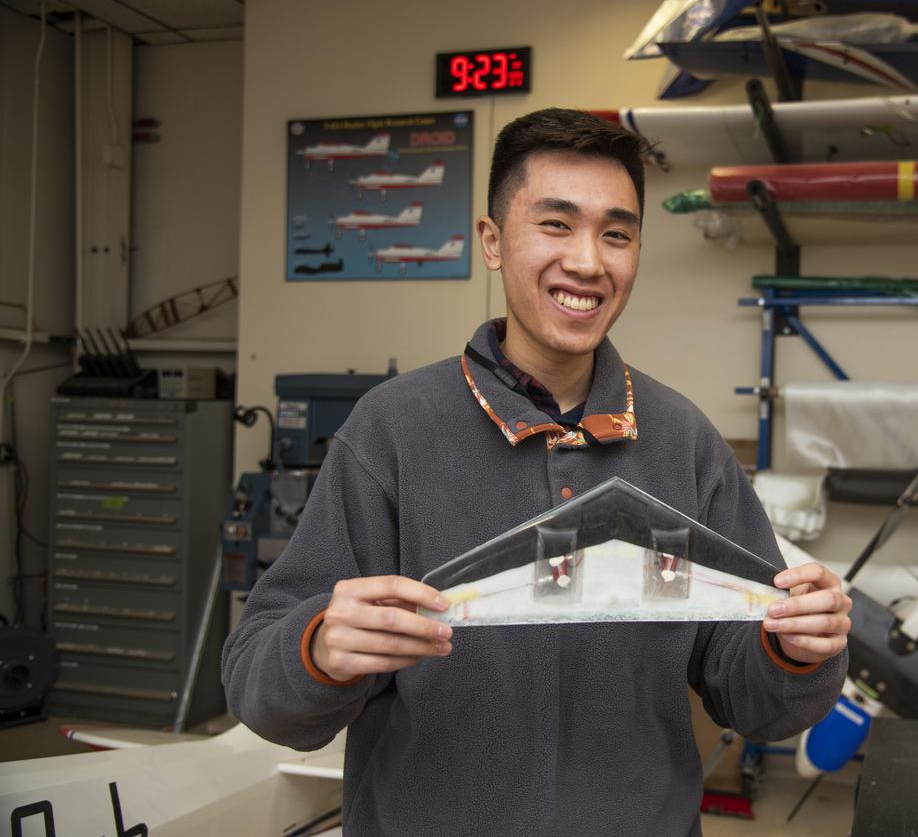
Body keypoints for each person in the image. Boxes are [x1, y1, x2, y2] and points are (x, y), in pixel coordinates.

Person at [223, 108, 850, 835]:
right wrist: (322, 647)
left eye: (616, 233)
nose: (588, 261)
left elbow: (756, 701)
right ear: (492, 241)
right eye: (555, 224)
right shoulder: (390, 431)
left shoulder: (685, 443)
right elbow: (258, 687)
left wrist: (793, 650)